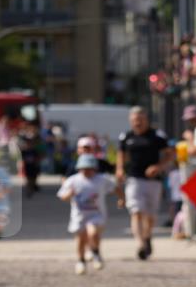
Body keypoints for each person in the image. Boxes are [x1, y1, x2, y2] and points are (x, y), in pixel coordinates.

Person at [116, 107, 172, 260]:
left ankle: (147, 237)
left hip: (153, 180)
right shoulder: (126, 136)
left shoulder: (157, 136)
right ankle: (140, 244)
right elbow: (121, 154)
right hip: (134, 178)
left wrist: (159, 166)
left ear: (146, 120)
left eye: (140, 120)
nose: (137, 123)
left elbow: (169, 154)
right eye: (134, 120)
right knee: (136, 211)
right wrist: (120, 169)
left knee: (150, 214)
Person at [57, 154, 120, 275]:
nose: (86, 171)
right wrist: (69, 194)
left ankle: (95, 252)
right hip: (79, 215)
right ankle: (81, 261)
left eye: (89, 168)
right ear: (79, 169)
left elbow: (115, 188)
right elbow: (62, 196)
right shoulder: (73, 180)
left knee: (93, 233)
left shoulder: (101, 179)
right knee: (81, 240)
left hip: (96, 214)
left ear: (94, 168)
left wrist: (122, 199)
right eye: (84, 168)